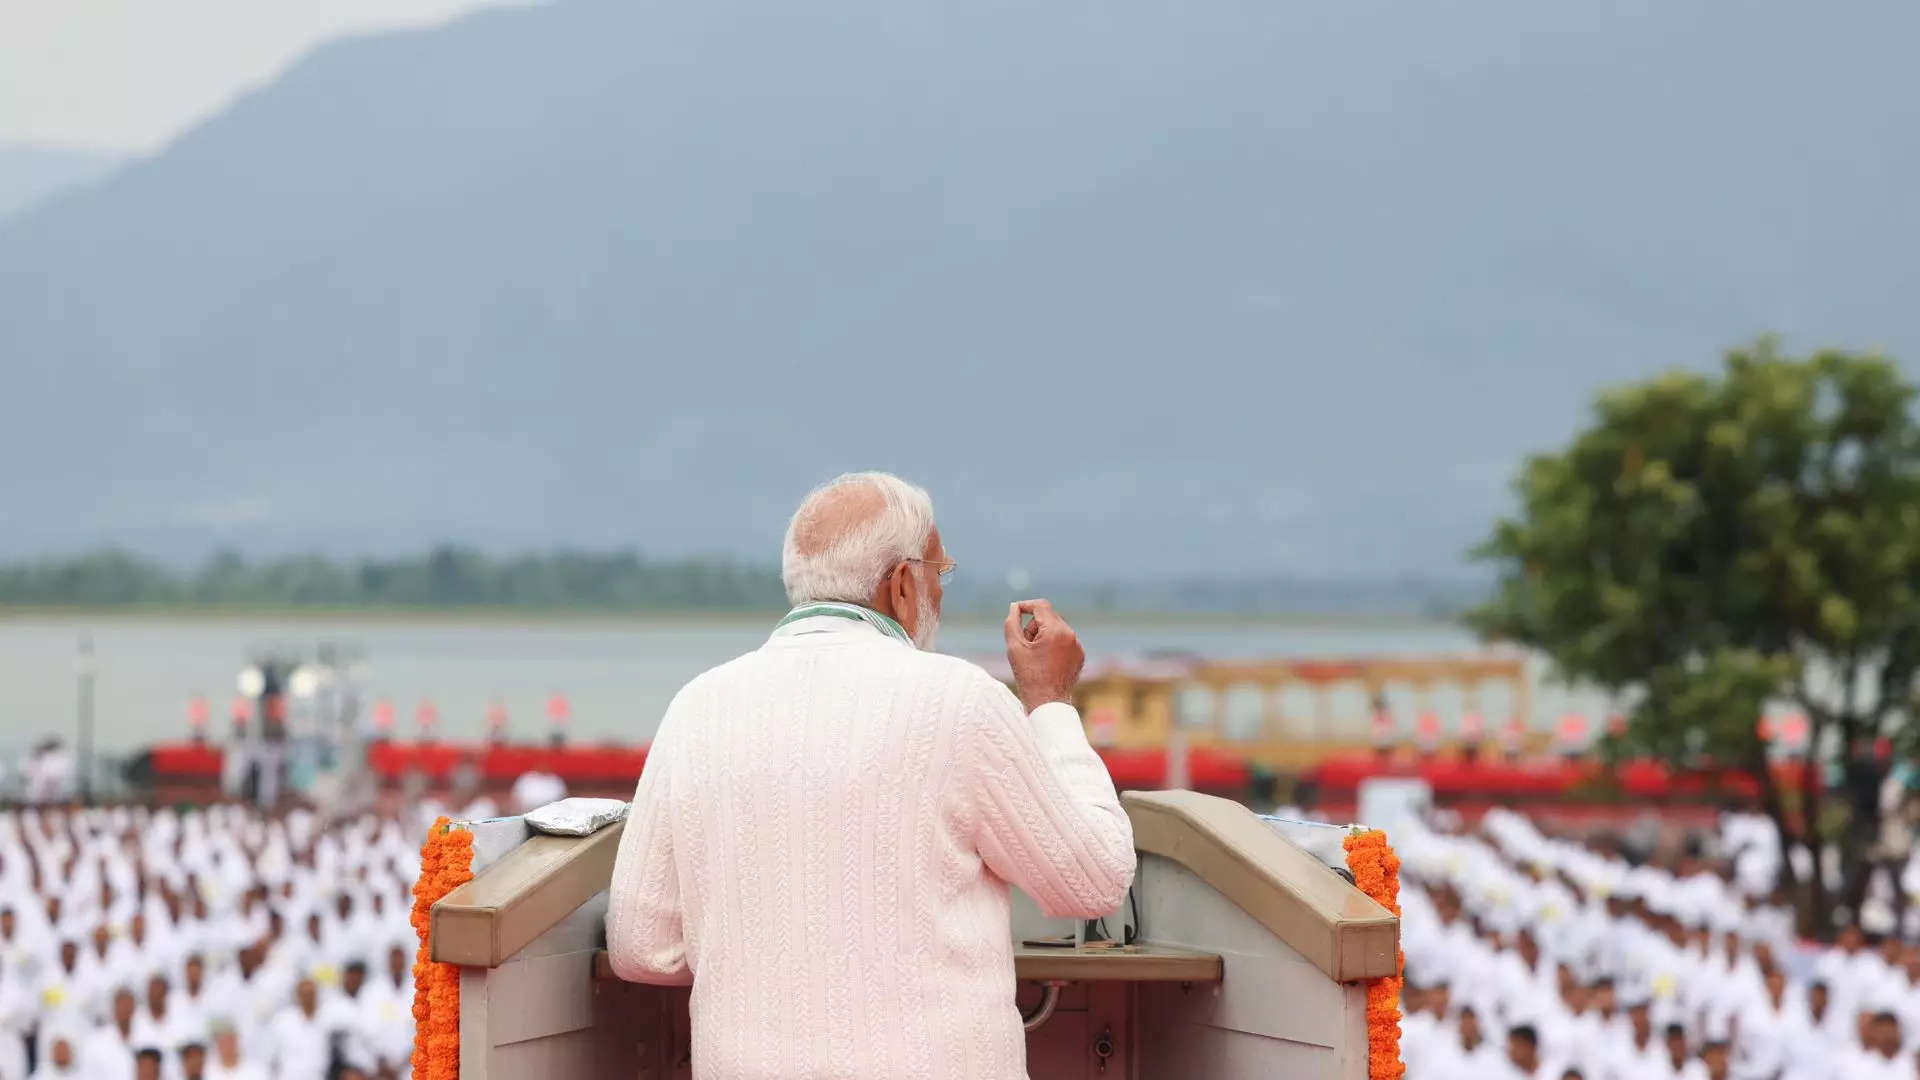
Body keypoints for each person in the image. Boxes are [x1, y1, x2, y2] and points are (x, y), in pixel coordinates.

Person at [605, 473, 1135, 1080]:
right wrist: (1051, 701)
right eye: (942, 572)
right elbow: (1092, 882)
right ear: (905, 584)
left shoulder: (697, 706)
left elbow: (641, 945)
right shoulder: (958, 699)